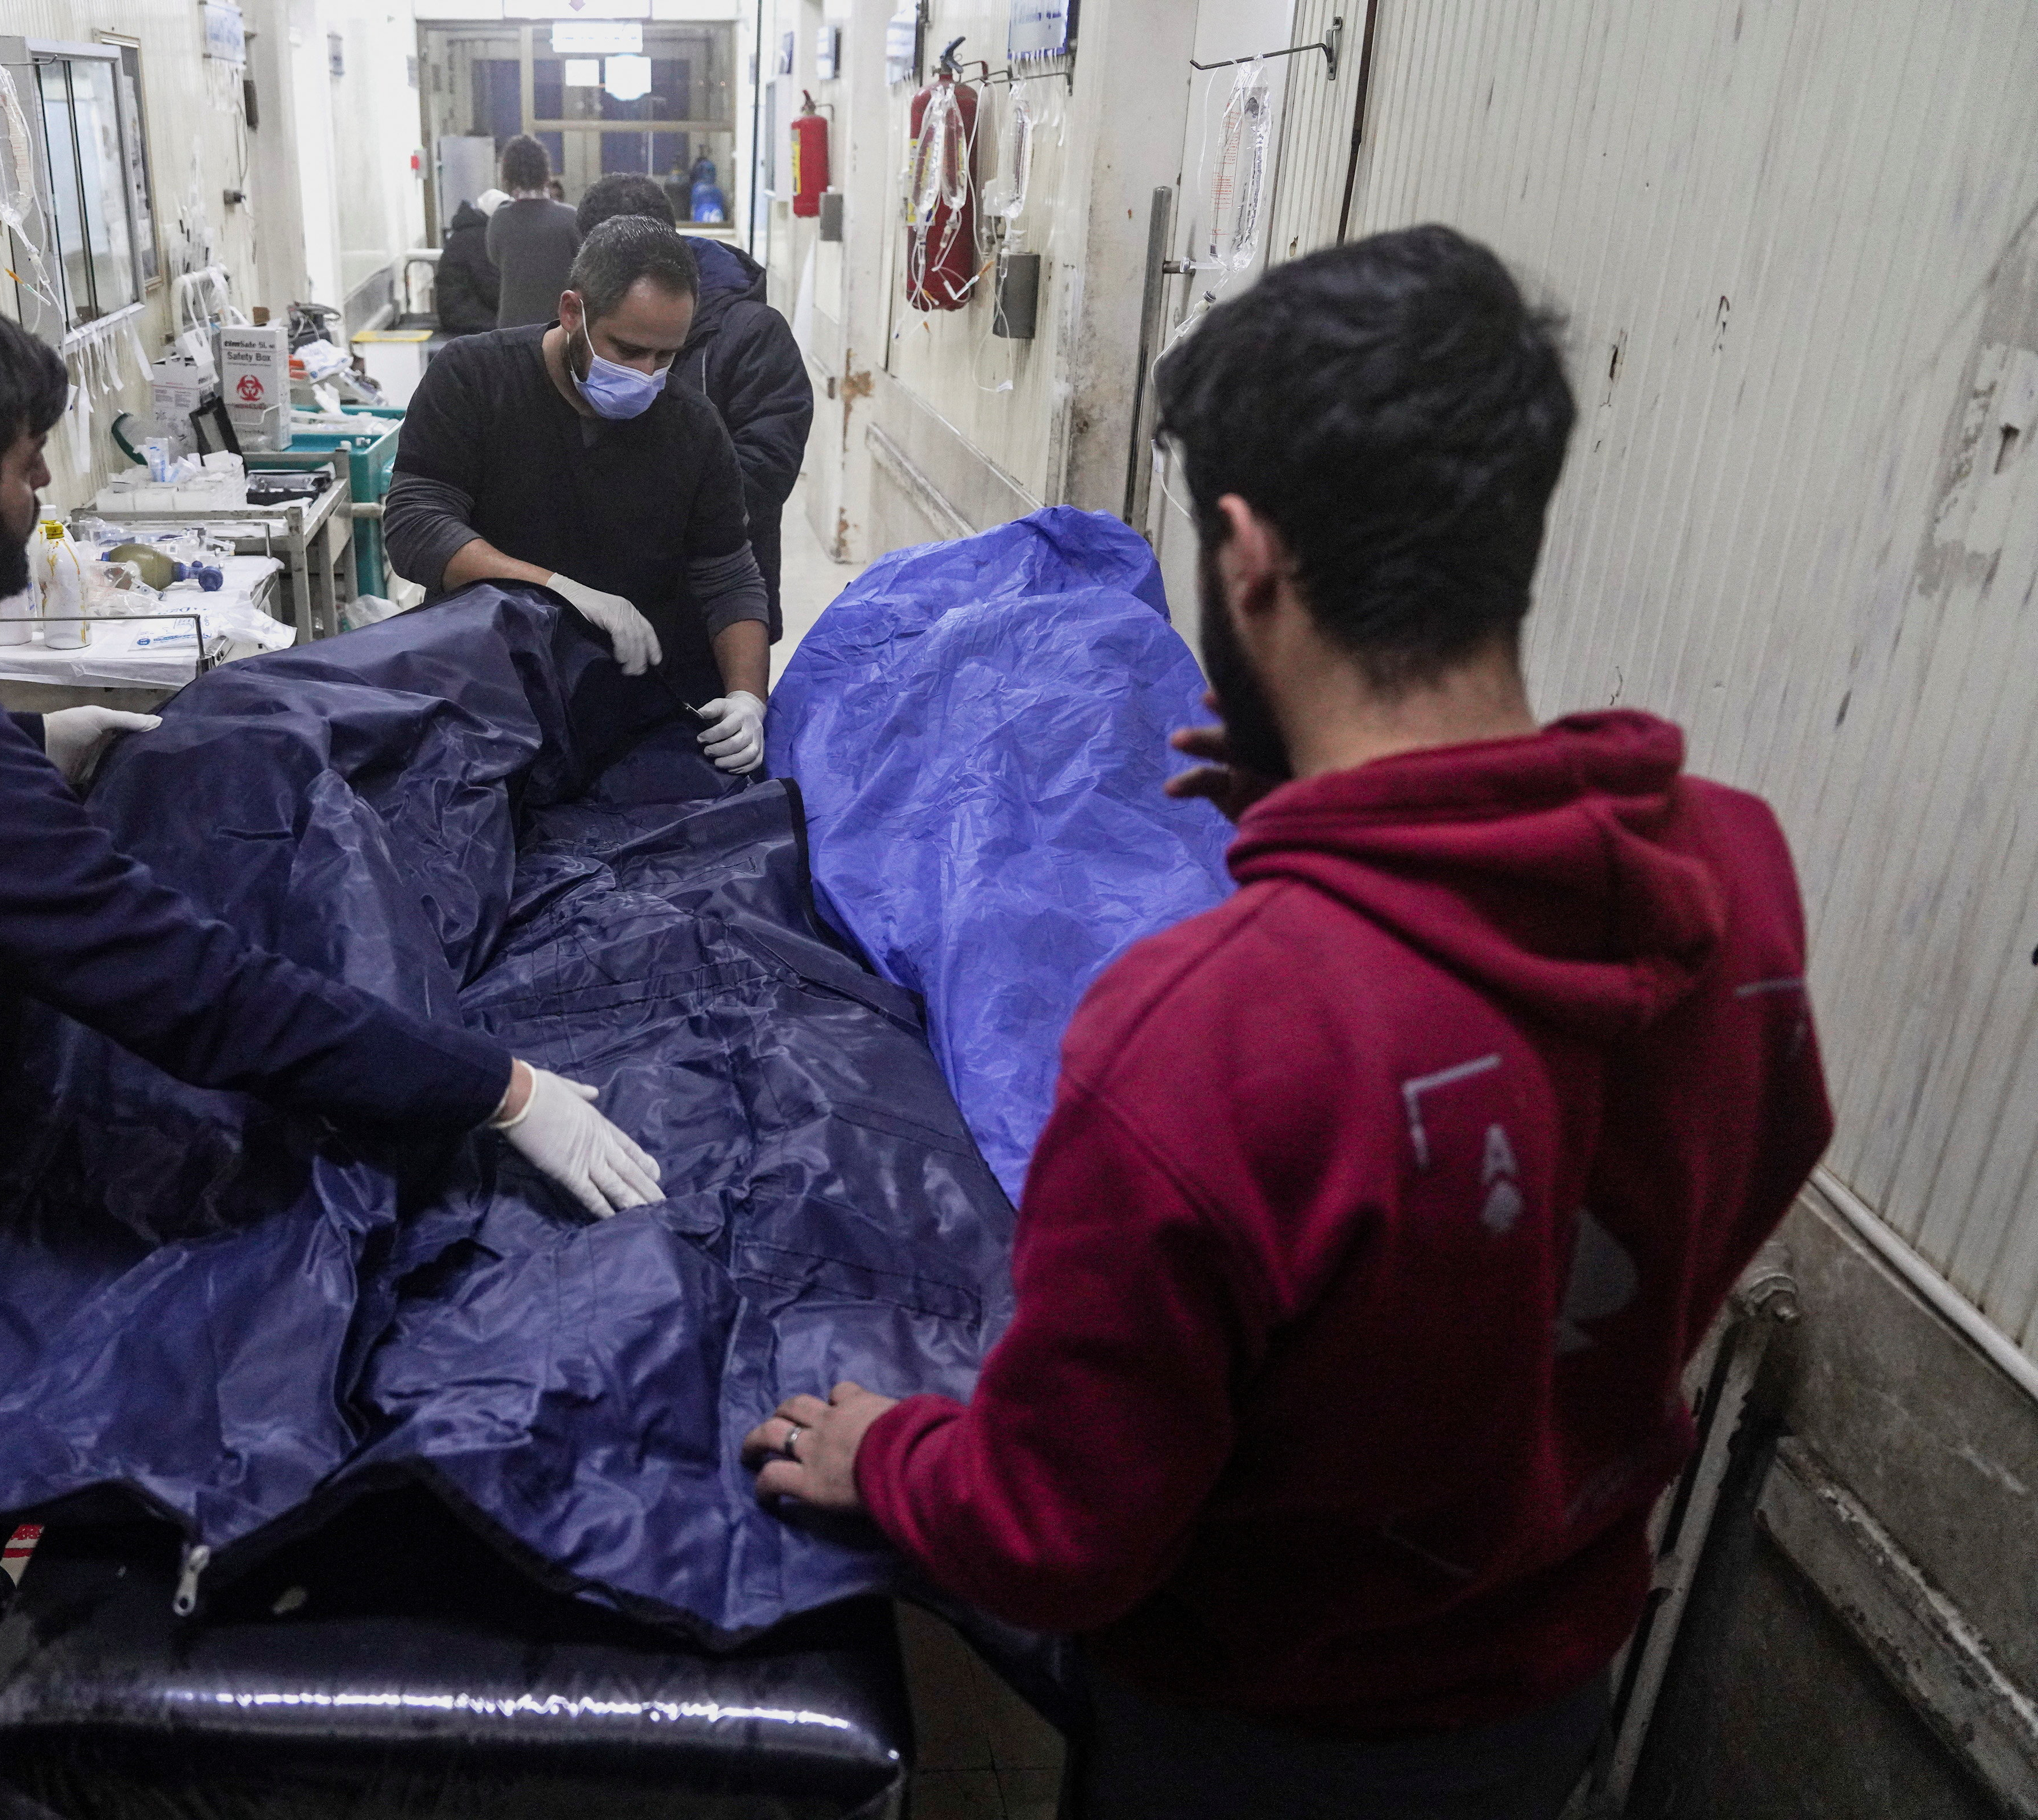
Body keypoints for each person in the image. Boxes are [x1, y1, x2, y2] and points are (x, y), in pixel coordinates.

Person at [738, 225, 1834, 1817]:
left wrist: (891, 1460)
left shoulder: (1201, 1040)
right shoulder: (1737, 880)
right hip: (1545, 1689)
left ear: (1246, 557)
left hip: (1260, 1740)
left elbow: (1063, 1535)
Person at [0, 269, 665, 1818]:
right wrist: (497, 1085)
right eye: (23, 466)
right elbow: (209, 998)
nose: (41, 488)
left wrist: (33, 747)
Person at [386, 215, 772, 773]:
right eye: (628, 349)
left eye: (666, 357)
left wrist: (747, 699)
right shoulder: (474, 379)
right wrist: (557, 590)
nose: (646, 374)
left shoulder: (693, 429)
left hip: (631, 712)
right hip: (484, 701)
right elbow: (417, 525)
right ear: (574, 312)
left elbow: (729, 576)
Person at [576, 173, 813, 637]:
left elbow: (765, 467)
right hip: (604, 601)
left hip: (716, 609)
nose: (644, 370)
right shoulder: (585, 319)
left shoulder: (749, 334)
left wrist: (646, 528)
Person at [487, 136, 579, 329]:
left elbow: (496, 262)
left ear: (506, 176)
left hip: (511, 328)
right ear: (546, 174)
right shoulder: (570, 218)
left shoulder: (500, 220)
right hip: (559, 326)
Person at [434, 187, 505, 337]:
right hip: (465, 315)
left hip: (458, 309)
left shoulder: (469, 232)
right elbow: (489, 285)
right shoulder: (478, 237)